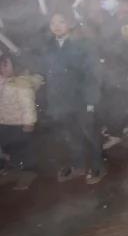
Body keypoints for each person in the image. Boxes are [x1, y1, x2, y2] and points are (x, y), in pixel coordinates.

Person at [43, 12, 106, 184]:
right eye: (53, 23)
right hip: (60, 100)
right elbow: (47, 73)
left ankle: (98, 166)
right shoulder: (49, 46)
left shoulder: (83, 44)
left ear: (70, 23)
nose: (57, 26)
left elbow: (93, 74)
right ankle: (78, 165)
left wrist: (91, 100)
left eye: (61, 22)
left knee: (89, 133)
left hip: (81, 98)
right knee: (70, 135)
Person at [0, 51, 42, 189]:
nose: (2, 68)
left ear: (16, 66)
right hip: (4, 122)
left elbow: (28, 105)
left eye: (6, 65)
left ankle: (29, 173)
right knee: (10, 148)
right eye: (1, 65)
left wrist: (29, 123)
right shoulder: (2, 81)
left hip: (19, 124)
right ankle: (14, 170)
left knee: (23, 149)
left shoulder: (21, 84)